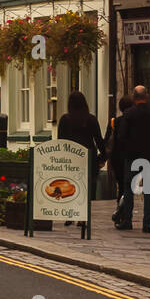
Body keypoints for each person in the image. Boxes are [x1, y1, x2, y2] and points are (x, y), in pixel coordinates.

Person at [112, 86, 150, 232]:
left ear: (134, 98)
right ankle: (146, 224)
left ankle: (128, 221)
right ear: (146, 96)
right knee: (148, 190)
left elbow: (121, 136)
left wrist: (126, 150)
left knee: (129, 188)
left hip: (132, 156)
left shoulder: (129, 114)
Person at [57, 91, 105, 225]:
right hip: (88, 157)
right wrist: (103, 157)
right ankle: (83, 218)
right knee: (86, 188)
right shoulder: (91, 119)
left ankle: (70, 214)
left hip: (70, 159)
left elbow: (60, 141)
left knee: (71, 186)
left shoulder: (65, 119)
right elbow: (98, 139)